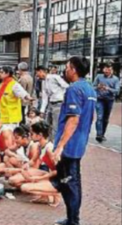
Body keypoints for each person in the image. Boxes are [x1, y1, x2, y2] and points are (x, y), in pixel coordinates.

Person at [51, 56, 96, 225]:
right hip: (79, 142)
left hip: (70, 145)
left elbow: (73, 119)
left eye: (67, 67)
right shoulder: (89, 89)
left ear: (74, 70)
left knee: (70, 183)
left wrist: (60, 146)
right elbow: (91, 116)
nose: (65, 70)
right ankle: (71, 218)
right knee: (70, 182)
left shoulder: (74, 89)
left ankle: (73, 221)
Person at [18, 121, 61, 208]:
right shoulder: (39, 145)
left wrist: (39, 178)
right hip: (50, 173)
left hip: (58, 178)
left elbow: (59, 171)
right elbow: (33, 160)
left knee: (25, 188)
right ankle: (44, 197)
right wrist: (25, 166)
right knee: (25, 172)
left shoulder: (49, 149)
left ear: (40, 135)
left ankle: (57, 194)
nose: (30, 135)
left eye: (32, 133)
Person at [0, 66, 33, 131]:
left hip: (11, 118)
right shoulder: (2, 84)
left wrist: (29, 98)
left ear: (7, 74)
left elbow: (23, 93)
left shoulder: (14, 84)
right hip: (2, 116)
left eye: (2, 72)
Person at [36, 66, 69, 140]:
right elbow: (45, 97)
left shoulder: (54, 77)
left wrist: (64, 96)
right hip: (50, 104)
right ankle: (49, 141)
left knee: (55, 126)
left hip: (59, 103)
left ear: (41, 71)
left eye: (37, 73)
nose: (37, 75)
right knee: (47, 124)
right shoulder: (43, 82)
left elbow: (66, 86)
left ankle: (54, 143)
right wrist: (42, 111)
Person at [93, 62, 120, 143]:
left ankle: (102, 134)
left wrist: (108, 88)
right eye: (105, 69)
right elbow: (92, 86)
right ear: (103, 69)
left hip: (109, 100)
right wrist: (97, 87)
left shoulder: (115, 79)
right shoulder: (99, 77)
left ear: (112, 70)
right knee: (100, 117)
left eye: (109, 69)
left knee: (105, 118)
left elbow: (117, 91)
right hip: (99, 99)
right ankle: (99, 135)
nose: (107, 71)